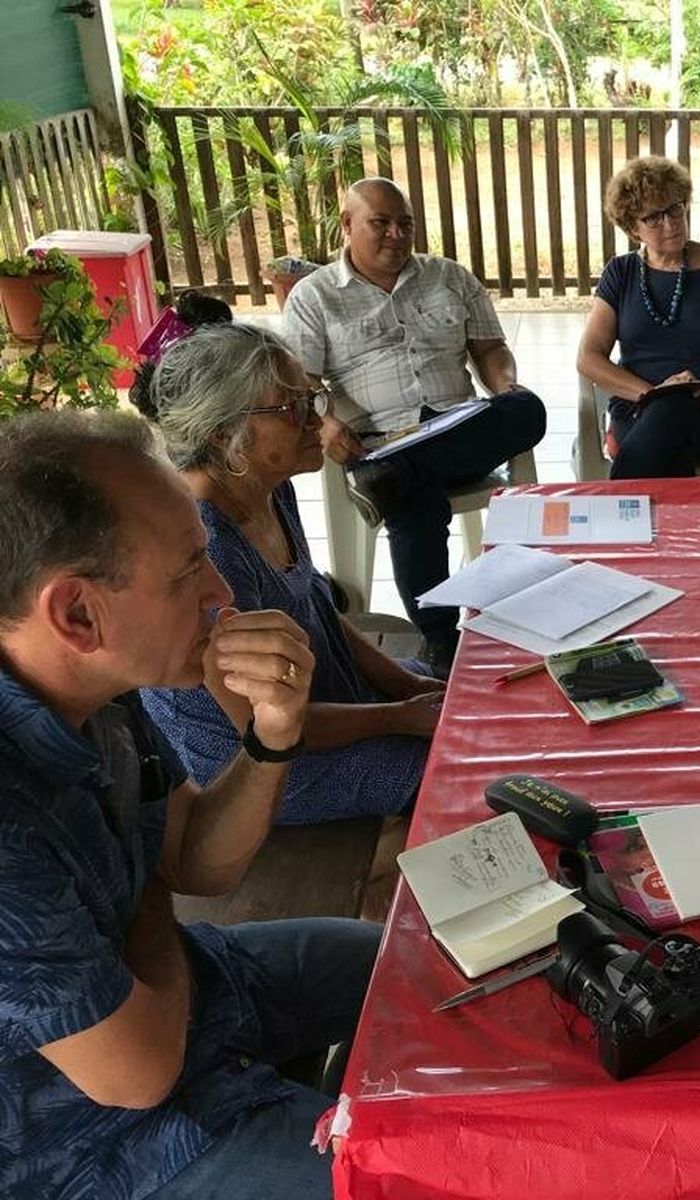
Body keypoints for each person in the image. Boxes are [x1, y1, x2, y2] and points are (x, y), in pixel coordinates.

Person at [0, 411, 378, 1200]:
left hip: (197, 994)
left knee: (414, 963)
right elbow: (135, 1075)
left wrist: (274, 736)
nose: (223, 593)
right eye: (189, 572)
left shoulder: (99, 687)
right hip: (97, 1145)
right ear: (75, 614)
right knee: (413, 1182)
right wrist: (149, 897)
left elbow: (197, 858)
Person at [131, 318, 440, 825]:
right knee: (443, 766)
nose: (317, 419)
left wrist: (404, 687)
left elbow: (313, 601)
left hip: (314, 698)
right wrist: (397, 715)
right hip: (260, 764)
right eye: (291, 409)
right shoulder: (205, 544)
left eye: (311, 399)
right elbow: (263, 726)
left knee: (457, 699)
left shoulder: (267, 486)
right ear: (224, 431)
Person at [281, 177, 547, 671]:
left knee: (527, 410)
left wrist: (505, 385)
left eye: (405, 224)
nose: (396, 236)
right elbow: (302, 384)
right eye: (380, 224)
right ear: (347, 226)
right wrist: (326, 423)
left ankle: (399, 481)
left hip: (459, 427)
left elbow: (490, 350)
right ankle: (440, 636)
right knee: (413, 497)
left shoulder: (448, 277)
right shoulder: (315, 298)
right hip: (379, 441)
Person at [577, 155, 700, 478]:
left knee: (668, 421)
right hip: (638, 403)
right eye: (653, 218)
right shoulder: (621, 273)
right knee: (667, 435)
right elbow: (588, 357)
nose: (670, 223)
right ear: (632, 228)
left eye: (674, 209)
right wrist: (651, 394)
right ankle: (671, 525)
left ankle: (616, 515)